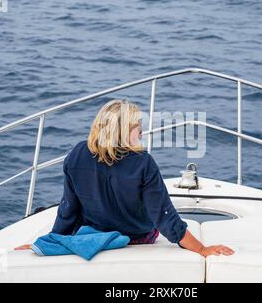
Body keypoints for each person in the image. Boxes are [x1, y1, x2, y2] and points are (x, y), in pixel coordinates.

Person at [16, 100, 234, 257]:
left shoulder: (77, 154)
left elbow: (68, 208)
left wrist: (54, 239)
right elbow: (164, 217)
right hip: (136, 237)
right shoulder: (142, 162)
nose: (140, 130)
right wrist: (202, 250)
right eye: (136, 125)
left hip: (92, 232)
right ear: (122, 131)